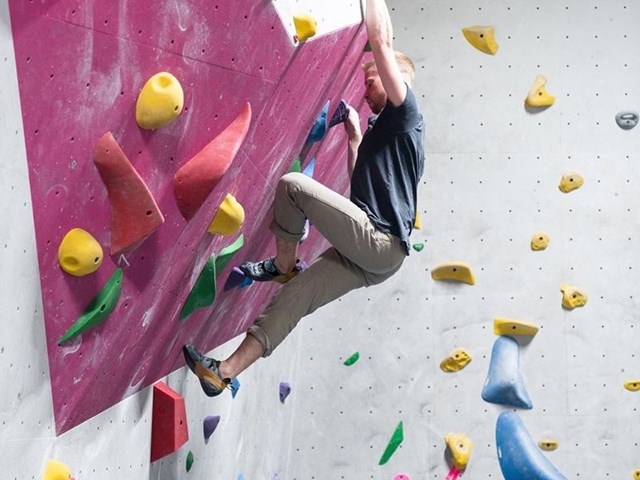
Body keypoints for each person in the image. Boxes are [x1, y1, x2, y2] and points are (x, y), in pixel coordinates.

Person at [183, 0, 425, 397]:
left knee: (293, 185)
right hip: (377, 258)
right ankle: (222, 372)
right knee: (295, 298)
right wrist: (353, 137)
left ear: (398, 77)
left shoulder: (407, 114)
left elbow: (381, 40)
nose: (365, 92)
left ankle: (283, 263)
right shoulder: (389, 131)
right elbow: (360, 197)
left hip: (380, 244)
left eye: (372, 82)